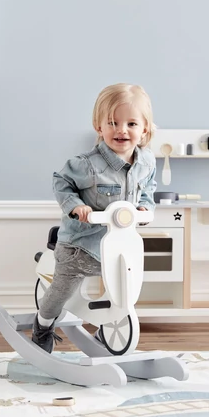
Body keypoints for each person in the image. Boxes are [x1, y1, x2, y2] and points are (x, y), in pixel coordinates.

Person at [32, 83, 158, 353]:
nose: (121, 130)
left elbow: (148, 188)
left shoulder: (147, 162)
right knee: (63, 289)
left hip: (118, 244)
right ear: (98, 126)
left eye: (131, 123)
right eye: (112, 123)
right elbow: (61, 181)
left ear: (145, 129)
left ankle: (107, 327)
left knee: (124, 283)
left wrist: (145, 207)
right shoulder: (87, 164)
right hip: (81, 245)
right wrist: (76, 206)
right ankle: (43, 324)